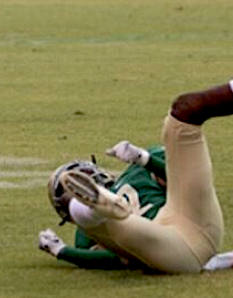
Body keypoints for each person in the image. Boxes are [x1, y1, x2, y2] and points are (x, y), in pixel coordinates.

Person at [42, 81, 231, 273]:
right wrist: (63, 251)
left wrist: (62, 251)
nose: (82, 183)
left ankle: (96, 208)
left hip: (186, 221)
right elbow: (115, 260)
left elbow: (179, 178)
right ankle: (98, 208)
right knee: (107, 225)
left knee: (183, 113)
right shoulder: (89, 230)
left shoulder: (135, 173)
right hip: (170, 249)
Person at [39, 141, 233, 271]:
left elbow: (116, 260)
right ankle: (97, 207)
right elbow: (183, 179)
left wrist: (62, 251)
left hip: (160, 247)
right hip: (187, 232)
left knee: (124, 241)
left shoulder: (86, 234)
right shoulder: (138, 171)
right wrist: (145, 160)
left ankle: (90, 209)